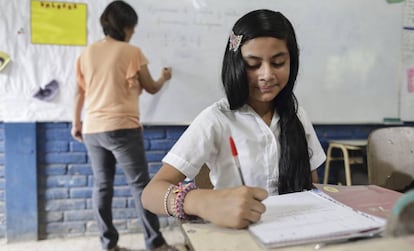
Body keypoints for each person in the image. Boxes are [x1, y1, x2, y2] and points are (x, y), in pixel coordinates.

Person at [141, 9, 326, 229]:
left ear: (291, 63)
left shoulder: (297, 115)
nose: (267, 75)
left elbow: (312, 187)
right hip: (240, 236)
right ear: (236, 64)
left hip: (297, 233)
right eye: (253, 64)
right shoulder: (216, 119)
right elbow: (151, 194)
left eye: (278, 63)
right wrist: (201, 202)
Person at [71, 1, 175, 251]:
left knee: (102, 186)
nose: (134, 32)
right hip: (121, 127)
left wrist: (76, 123)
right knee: (140, 185)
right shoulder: (131, 52)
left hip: (93, 129)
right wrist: (164, 77)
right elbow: (150, 87)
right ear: (125, 26)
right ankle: (156, 243)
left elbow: (78, 93)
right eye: (132, 26)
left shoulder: (86, 53)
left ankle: (108, 244)